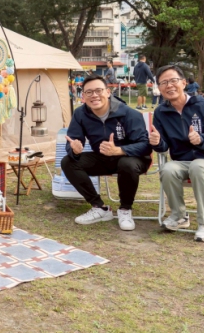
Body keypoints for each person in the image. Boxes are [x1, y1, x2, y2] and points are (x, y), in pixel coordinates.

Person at [61, 74, 152, 231]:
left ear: (108, 92)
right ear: (83, 96)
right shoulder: (80, 114)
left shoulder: (128, 114)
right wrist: (74, 149)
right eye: (89, 92)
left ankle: (125, 209)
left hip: (133, 158)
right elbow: (73, 140)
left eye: (98, 90)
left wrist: (120, 150)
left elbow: (145, 145)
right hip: (104, 158)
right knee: (68, 161)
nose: (94, 95)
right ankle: (100, 208)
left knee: (126, 163)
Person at [149, 65, 204, 243]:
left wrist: (201, 139)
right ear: (159, 88)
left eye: (173, 81)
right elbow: (163, 146)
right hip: (183, 162)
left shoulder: (203, 105)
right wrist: (157, 142)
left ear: (183, 83)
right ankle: (179, 216)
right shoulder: (161, 112)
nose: (169, 86)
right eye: (164, 83)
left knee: (198, 166)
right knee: (168, 169)